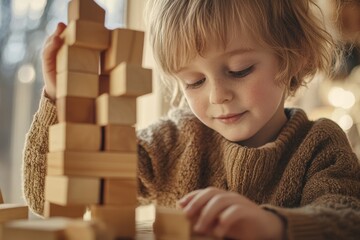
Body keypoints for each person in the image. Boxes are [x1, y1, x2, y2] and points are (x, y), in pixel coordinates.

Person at [23, 0, 360, 239]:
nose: (217, 96)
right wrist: (61, 98)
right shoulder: (173, 140)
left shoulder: (320, 144)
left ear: (294, 57)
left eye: (239, 70)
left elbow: (348, 219)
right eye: (194, 82)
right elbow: (46, 200)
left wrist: (273, 226)